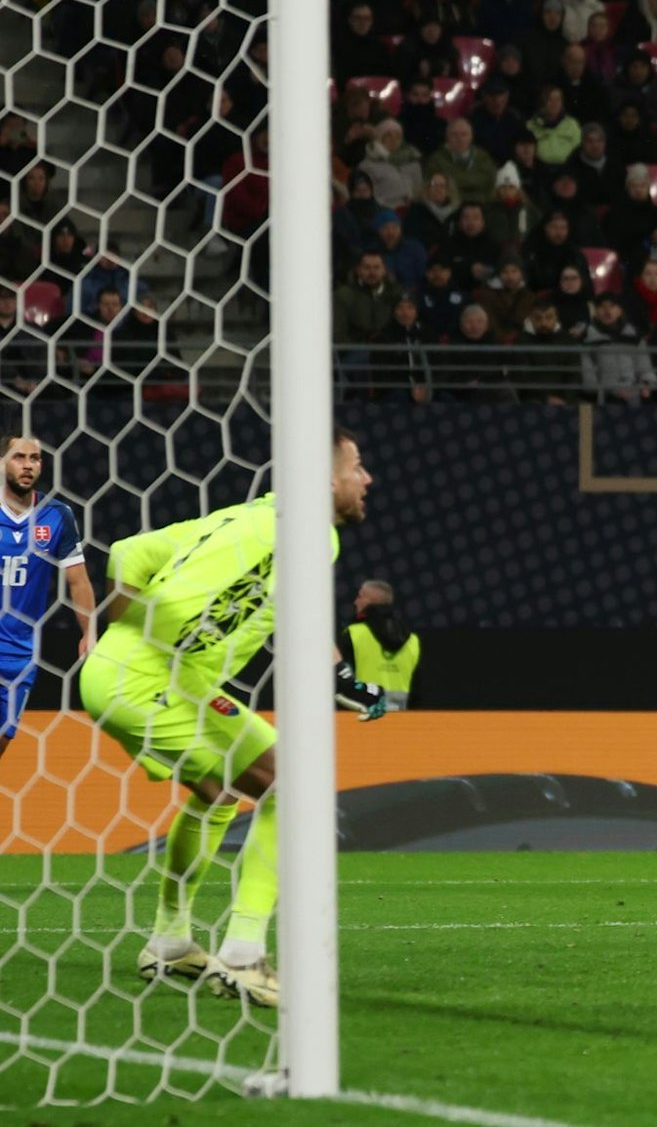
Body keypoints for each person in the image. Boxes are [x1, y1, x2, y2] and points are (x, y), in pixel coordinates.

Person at [80, 429, 388, 1007]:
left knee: (216, 792)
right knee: (293, 787)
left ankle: (170, 942)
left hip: (146, 675)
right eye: (358, 465)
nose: (366, 479)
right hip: (149, 679)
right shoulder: (306, 532)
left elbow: (127, 552)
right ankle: (245, 954)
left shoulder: (246, 516)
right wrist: (149, 647)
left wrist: (122, 635)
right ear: (325, 479)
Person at [0, 435, 96, 764]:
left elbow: (78, 580)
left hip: (20, 651)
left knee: (3, 737)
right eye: (18, 457)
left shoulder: (56, 516)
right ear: (2, 463)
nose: (28, 465)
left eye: (35, 459)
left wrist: (89, 632)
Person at [344, 579, 420, 711]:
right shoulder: (412, 641)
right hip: (401, 722)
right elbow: (420, 691)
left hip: (361, 721)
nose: (355, 602)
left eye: (360, 596)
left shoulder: (353, 634)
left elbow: (340, 683)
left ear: (371, 602)